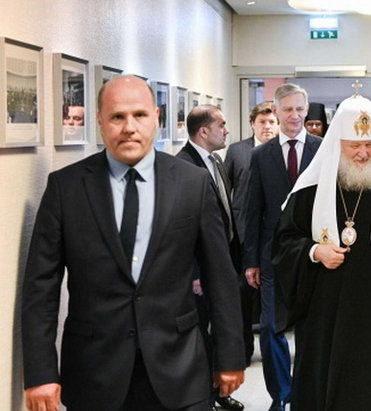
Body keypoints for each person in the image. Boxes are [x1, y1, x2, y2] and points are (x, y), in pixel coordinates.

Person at [21, 75, 245, 411]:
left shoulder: (192, 184)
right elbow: (41, 287)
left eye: (139, 115)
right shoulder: (65, 189)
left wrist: (230, 354)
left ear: (156, 116)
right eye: (117, 117)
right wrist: (40, 373)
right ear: (99, 121)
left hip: (180, 367)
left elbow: (220, 277)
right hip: (94, 371)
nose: (129, 127)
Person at [272, 94, 371, 410]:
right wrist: (315, 252)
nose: (362, 153)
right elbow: (284, 241)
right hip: (325, 305)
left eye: (369, 145)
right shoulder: (310, 187)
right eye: (354, 145)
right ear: (336, 142)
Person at [244, 83, 322, 411]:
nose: (294, 116)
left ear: (307, 111)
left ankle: (306, 391)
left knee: (310, 326)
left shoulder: (323, 149)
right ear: (275, 112)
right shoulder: (261, 155)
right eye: (287, 109)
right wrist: (251, 260)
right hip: (271, 255)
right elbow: (252, 209)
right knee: (272, 328)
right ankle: (282, 394)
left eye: (299, 109)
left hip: (312, 254)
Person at [176, 104, 246, 411]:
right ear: (204, 131)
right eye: (222, 124)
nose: (227, 130)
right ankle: (202, 395)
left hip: (221, 261)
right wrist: (193, 274)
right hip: (198, 273)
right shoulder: (182, 167)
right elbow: (182, 230)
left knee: (221, 328)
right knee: (200, 335)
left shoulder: (215, 161)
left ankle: (218, 391)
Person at [225, 101, 279, 365]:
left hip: (272, 235)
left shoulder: (284, 152)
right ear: (253, 124)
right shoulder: (237, 151)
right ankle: (244, 349)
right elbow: (227, 190)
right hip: (242, 233)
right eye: (262, 122)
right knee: (242, 297)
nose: (267, 127)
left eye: (271, 122)